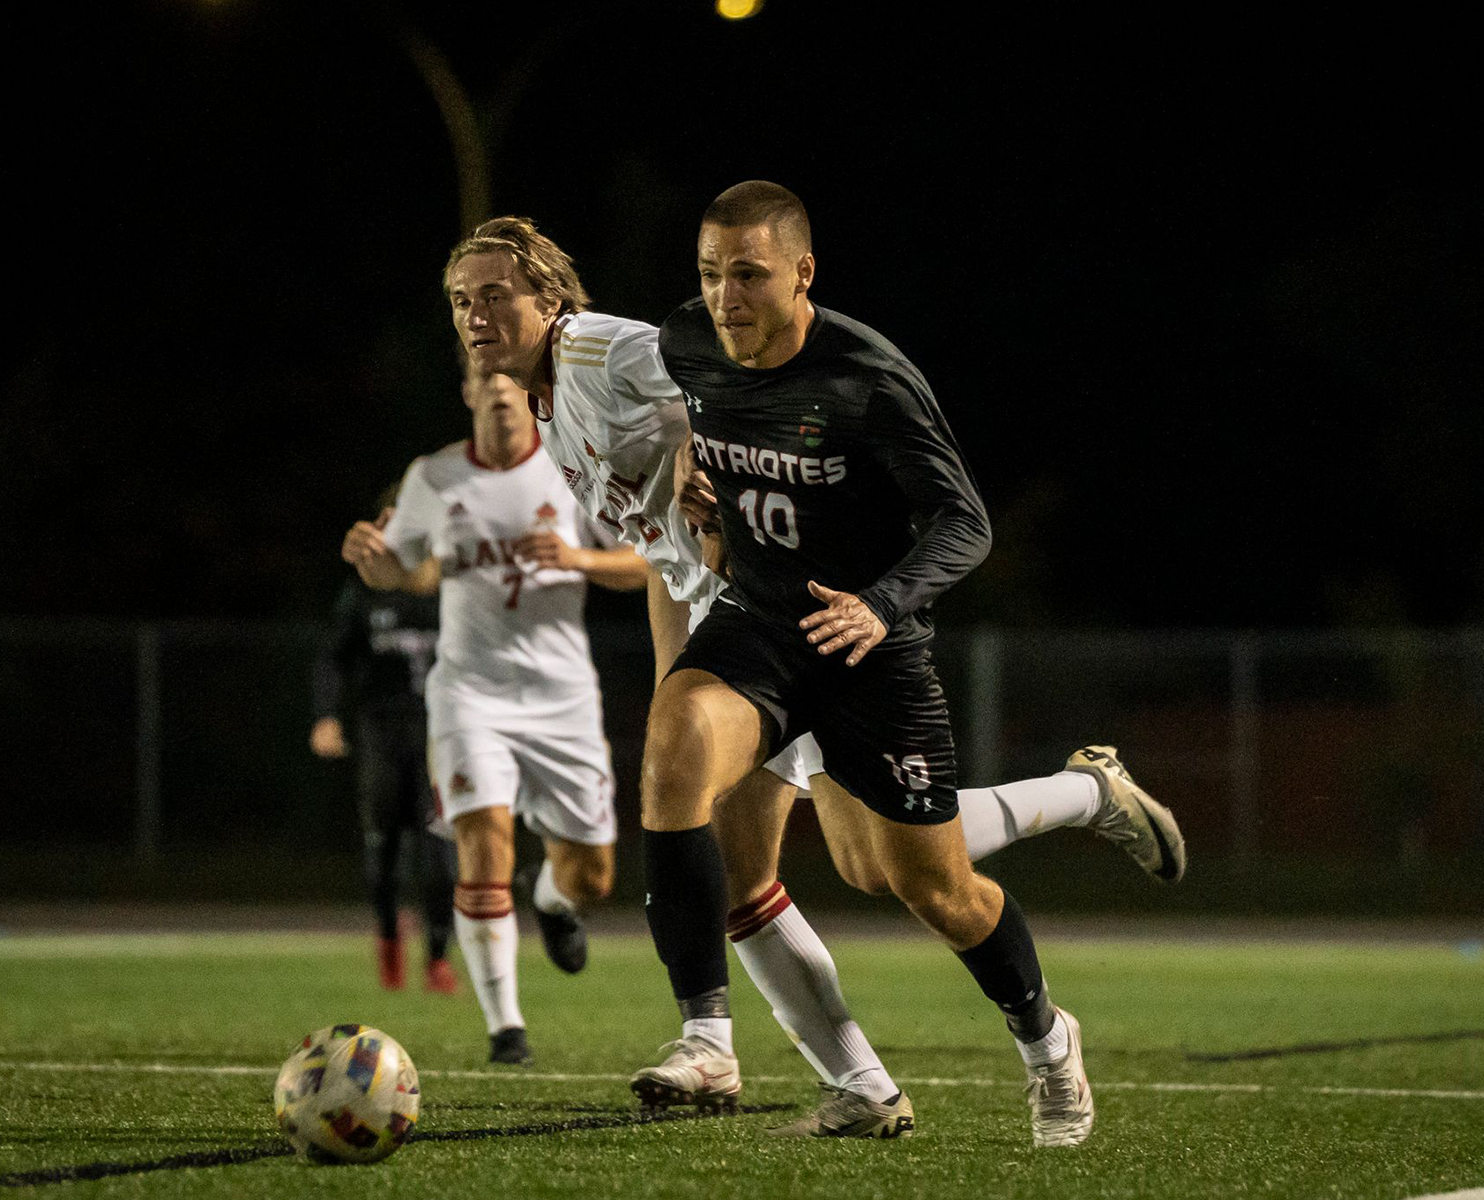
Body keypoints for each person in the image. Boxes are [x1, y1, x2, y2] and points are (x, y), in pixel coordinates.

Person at [440, 213, 1184, 1141]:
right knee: (749, 854)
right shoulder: (547, 409)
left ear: (551, 300)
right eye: (461, 301)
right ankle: (822, 1075)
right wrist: (682, 685)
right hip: (743, 620)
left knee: (900, 872)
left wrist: (694, 447)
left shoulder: (598, 354)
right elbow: (669, 555)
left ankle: (1080, 803)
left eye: (496, 294)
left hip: (823, 612)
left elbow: (719, 375)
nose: (475, 315)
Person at [340, 363, 651, 1065]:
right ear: (471, 394)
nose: (506, 399)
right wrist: (374, 562)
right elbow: (410, 571)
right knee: (482, 846)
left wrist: (575, 557)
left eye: (519, 390)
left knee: (592, 877)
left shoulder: (572, 467)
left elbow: (645, 561)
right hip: (468, 694)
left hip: (561, 696)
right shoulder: (436, 476)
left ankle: (551, 900)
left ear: (535, 399)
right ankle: (506, 1027)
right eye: (492, 387)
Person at [311, 490, 457, 995]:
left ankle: (438, 956)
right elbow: (332, 656)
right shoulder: (367, 592)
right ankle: (390, 940)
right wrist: (327, 717)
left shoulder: (455, 587)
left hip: (443, 739)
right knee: (386, 850)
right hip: (382, 735)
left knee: (442, 857)